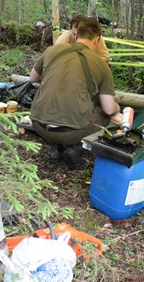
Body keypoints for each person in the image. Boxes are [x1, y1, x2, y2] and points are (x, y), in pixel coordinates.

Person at [29, 17, 120, 169]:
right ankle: (76, 148)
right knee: (105, 114)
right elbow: (109, 109)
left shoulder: (52, 50)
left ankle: (56, 149)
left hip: (38, 124)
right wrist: (117, 108)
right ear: (97, 39)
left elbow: (33, 78)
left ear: (76, 35)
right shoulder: (101, 64)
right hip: (71, 133)